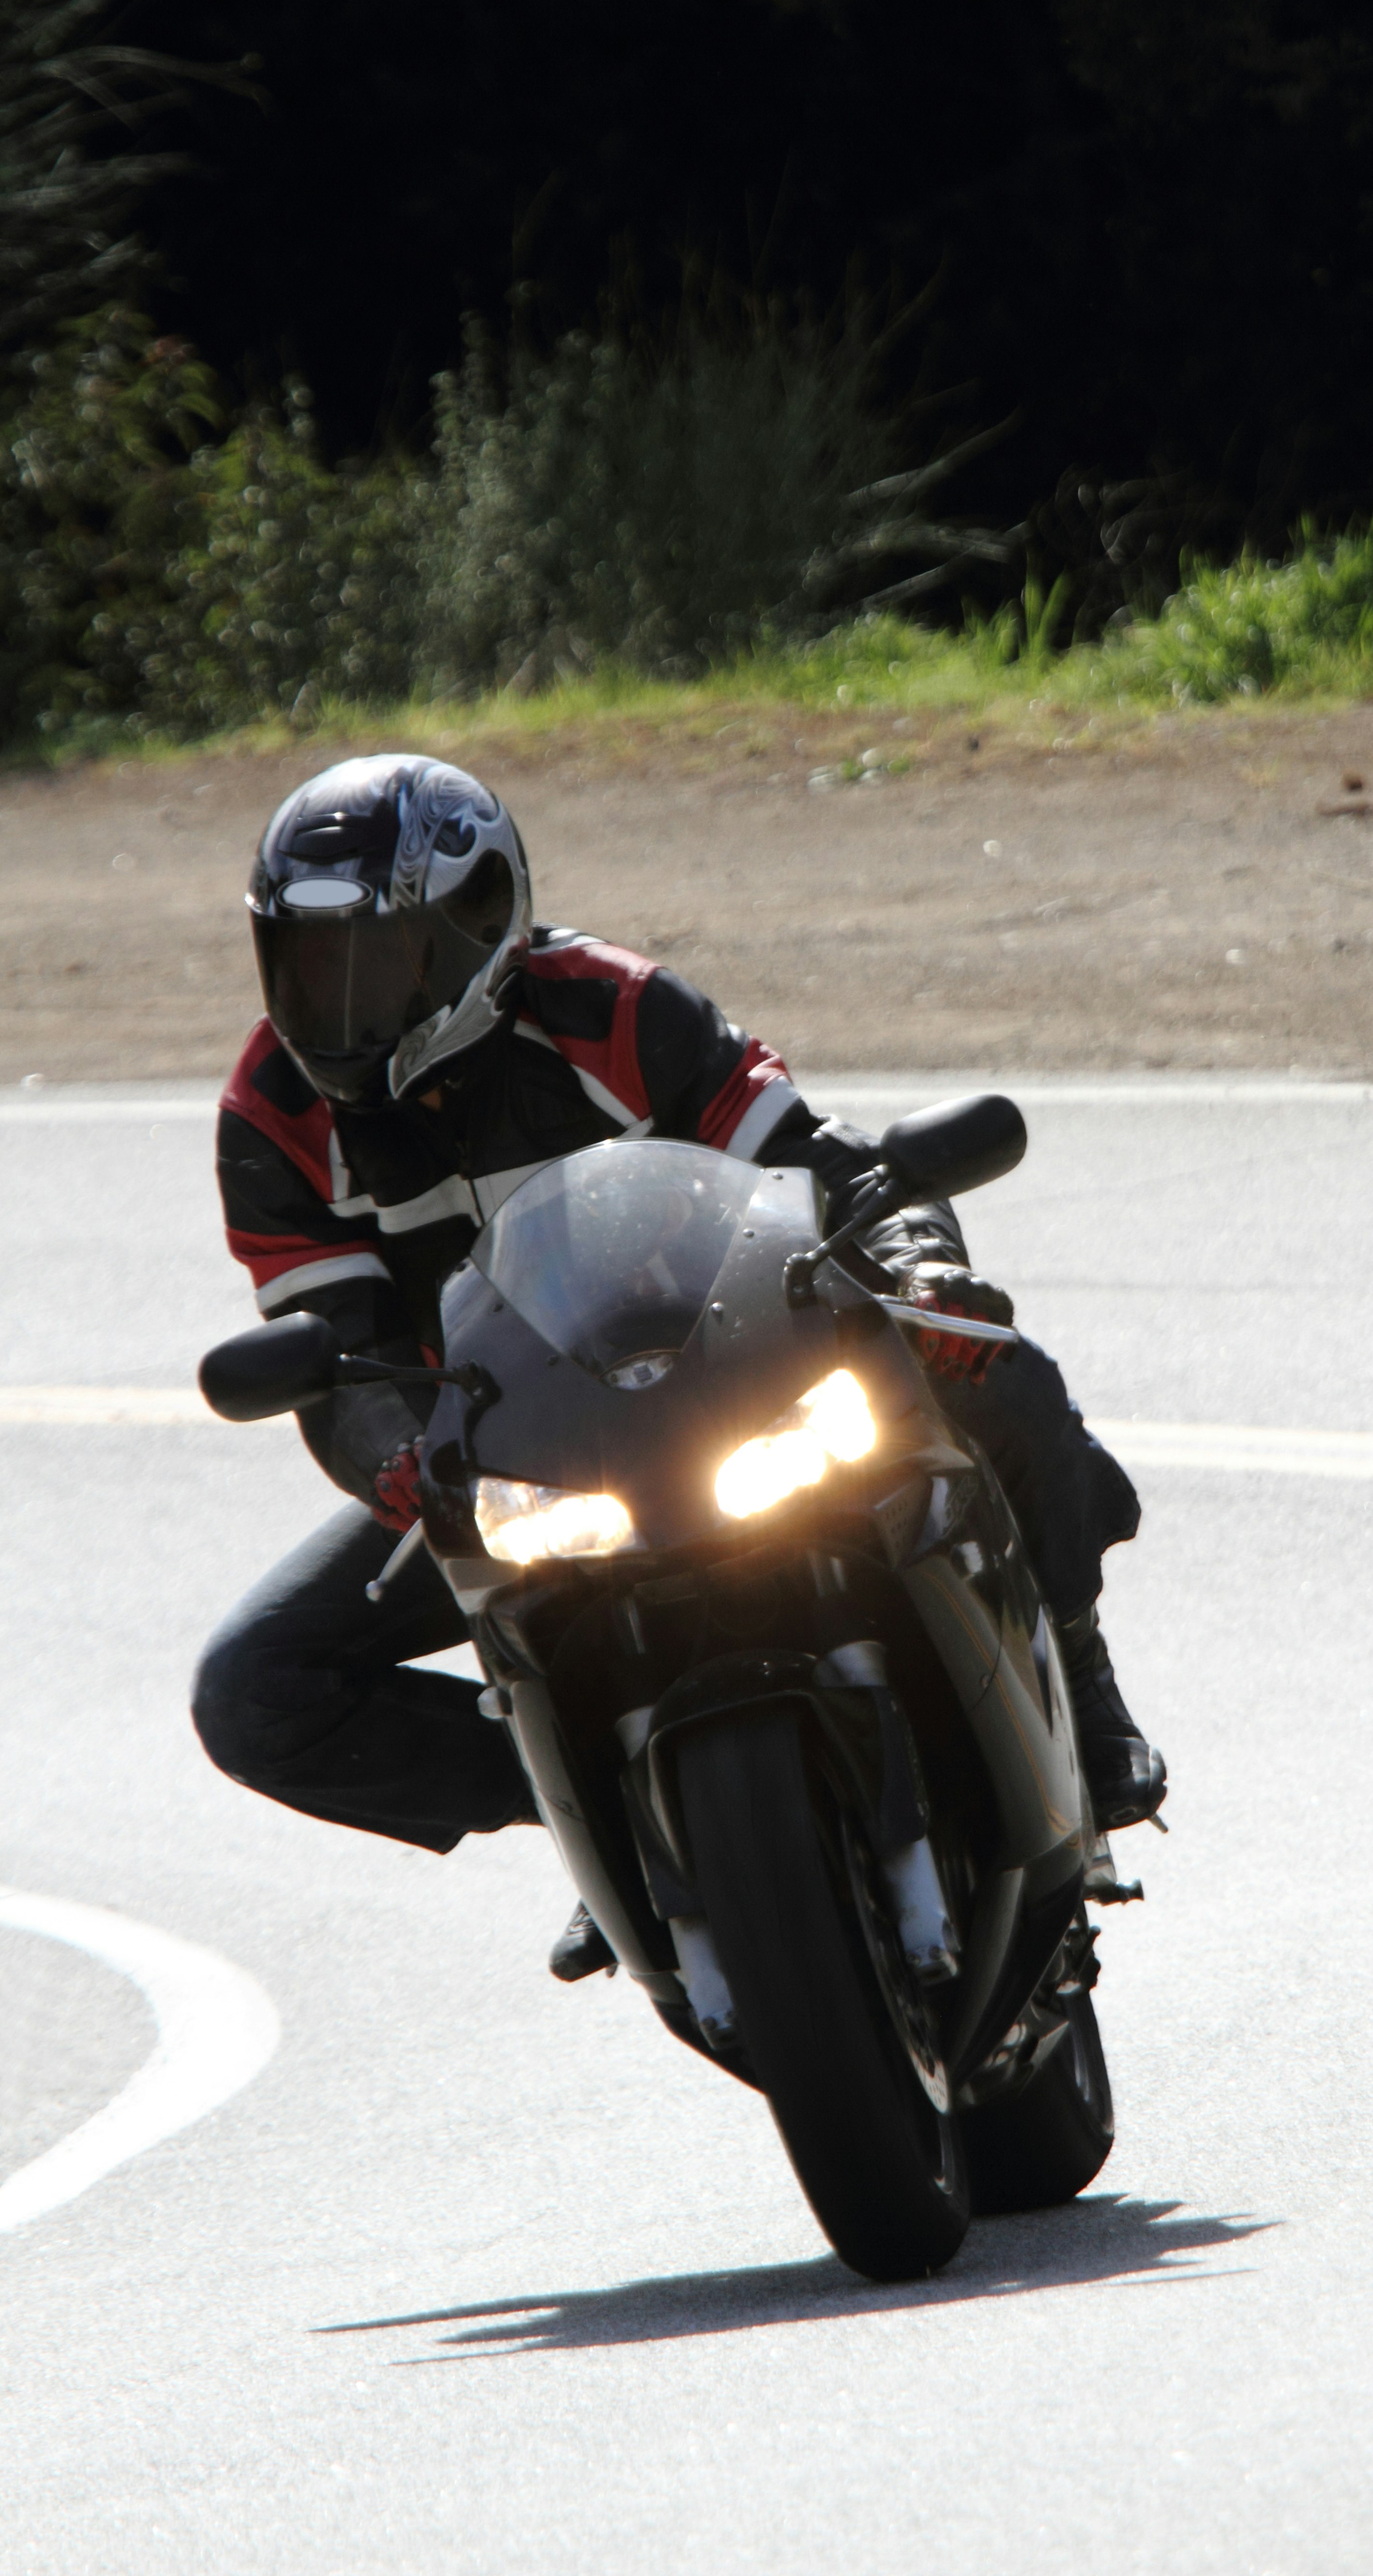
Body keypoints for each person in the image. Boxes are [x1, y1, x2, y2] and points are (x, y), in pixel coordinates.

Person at [192, 754, 1165, 1977]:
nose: (339, 1004)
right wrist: (402, 1466)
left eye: (375, 962)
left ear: (478, 919)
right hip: (514, 1461)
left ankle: (1083, 1675)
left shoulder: (617, 1007)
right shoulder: (271, 1113)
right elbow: (339, 1357)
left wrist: (922, 1277)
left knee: (998, 1369)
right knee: (252, 1689)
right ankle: (601, 1805)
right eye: (308, 964)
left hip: (749, 1379)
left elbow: (821, 1163)